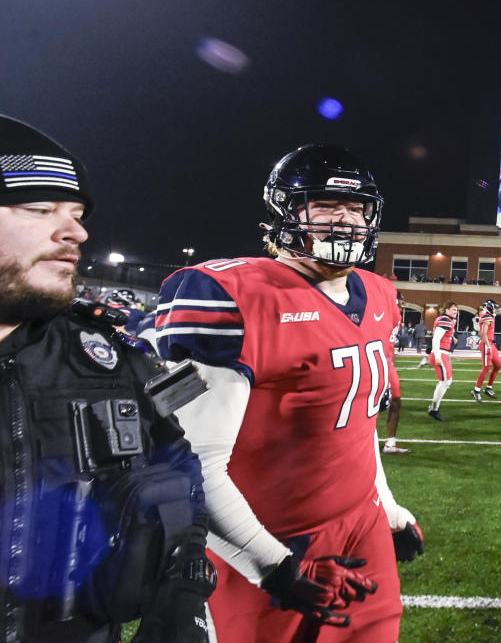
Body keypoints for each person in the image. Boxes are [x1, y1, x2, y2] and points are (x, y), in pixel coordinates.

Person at [155, 145, 424, 642]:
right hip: (264, 537)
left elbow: (355, 428)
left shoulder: (379, 293)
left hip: (360, 527)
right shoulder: (228, 294)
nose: (345, 220)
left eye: (358, 208)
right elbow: (190, 462)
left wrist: (385, 508)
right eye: (325, 205)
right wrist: (271, 564)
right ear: (286, 212)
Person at [0, 115, 214, 642]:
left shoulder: (117, 357)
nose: (77, 232)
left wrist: (182, 597)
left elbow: (182, 471)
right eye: (40, 208)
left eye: (76, 213)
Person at [427, 302, 457, 420]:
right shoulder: (446, 320)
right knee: (445, 381)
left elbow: (442, 334)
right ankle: (434, 409)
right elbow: (436, 338)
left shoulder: (446, 320)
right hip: (440, 353)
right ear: (447, 310)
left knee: (446, 381)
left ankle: (434, 407)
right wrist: (438, 355)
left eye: (456, 310)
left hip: (441, 353)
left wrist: (452, 337)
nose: (456, 312)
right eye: (453, 309)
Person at [471, 299, 501, 401]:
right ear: (490, 307)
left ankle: (488, 388)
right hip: (486, 343)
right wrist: (488, 346)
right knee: (487, 366)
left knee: (497, 365)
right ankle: (476, 390)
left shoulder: (490, 317)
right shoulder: (487, 317)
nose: (496, 310)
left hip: (491, 343)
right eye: (495, 308)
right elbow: (483, 333)